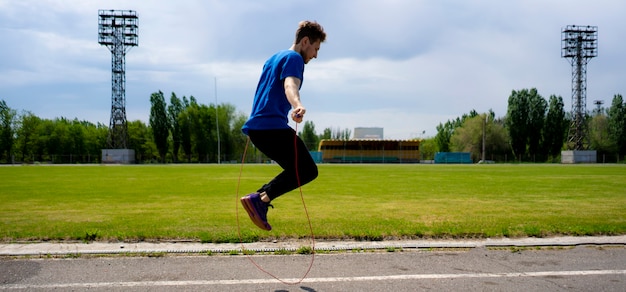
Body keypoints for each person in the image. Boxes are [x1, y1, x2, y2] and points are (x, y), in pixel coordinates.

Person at [240, 21, 326, 231]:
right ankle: (259, 200)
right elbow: (290, 84)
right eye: (315, 48)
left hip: (258, 129)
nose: (315, 55)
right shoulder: (294, 58)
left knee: (298, 169)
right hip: (270, 127)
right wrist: (297, 105)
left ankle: (259, 199)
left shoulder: (273, 59)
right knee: (307, 170)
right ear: (305, 41)